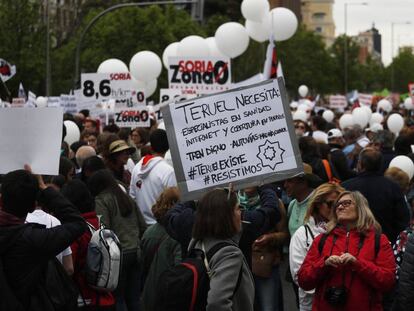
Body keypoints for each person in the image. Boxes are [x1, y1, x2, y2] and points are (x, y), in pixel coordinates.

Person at [0, 166, 87, 310]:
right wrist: (44, 188)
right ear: (34, 206)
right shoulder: (35, 239)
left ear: (1, 199)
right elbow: (77, 223)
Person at [297, 191, 396, 311]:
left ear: (361, 208)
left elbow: (387, 282)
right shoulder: (321, 240)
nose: (340, 206)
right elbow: (303, 280)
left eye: (347, 203)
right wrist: (324, 264)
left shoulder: (378, 240)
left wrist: (358, 264)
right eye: (337, 204)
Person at [88, 169, 147, 311]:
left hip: (118, 256)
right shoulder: (126, 198)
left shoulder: (101, 201)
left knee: (118, 298)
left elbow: (103, 231)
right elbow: (143, 225)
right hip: (136, 252)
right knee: (134, 298)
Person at [189, 188, 255, 311]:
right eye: (238, 208)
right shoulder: (229, 254)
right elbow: (217, 304)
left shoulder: (197, 242)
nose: (241, 212)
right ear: (226, 215)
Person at [61, 179, 115, 310]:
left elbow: (69, 268)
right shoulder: (98, 223)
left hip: (86, 299)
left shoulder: (76, 231)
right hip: (106, 296)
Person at [289, 183, 344, 311]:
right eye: (331, 204)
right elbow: (298, 276)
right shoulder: (302, 234)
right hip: (313, 304)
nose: (337, 209)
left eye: (340, 204)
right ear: (318, 205)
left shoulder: (348, 231)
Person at [342, 147, 410, 244]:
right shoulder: (393, 187)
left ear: (360, 164)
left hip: (353, 243)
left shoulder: (346, 187)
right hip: (385, 242)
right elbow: (402, 219)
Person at [239, 186, 288, 311]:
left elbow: (284, 234)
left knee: (269, 306)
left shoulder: (273, 202)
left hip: (264, 264)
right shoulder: (231, 202)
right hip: (239, 266)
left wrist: (271, 237)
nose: (248, 183)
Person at [141, 187, 182, 311]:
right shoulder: (178, 235)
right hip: (170, 298)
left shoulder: (148, 233)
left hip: (150, 294)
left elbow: (142, 264)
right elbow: (180, 271)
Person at [130, 129, 177, 225]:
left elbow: (132, 196)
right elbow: (174, 202)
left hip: (142, 225)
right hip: (162, 226)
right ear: (168, 147)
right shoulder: (168, 171)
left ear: (151, 146)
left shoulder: (137, 167)